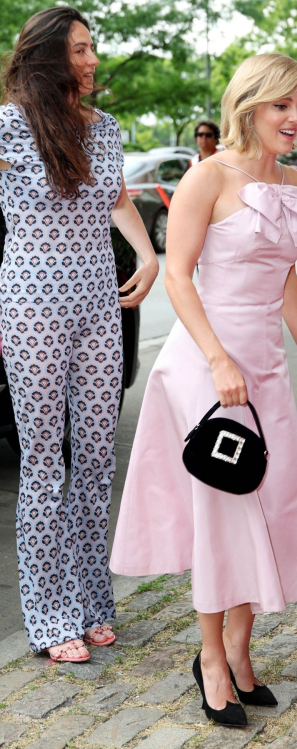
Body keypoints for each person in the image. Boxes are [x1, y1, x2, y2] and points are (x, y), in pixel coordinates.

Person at [110, 52, 297, 726]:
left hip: (263, 364)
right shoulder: (207, 175)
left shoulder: (292, 178)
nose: (294, 118)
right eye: (281, 106)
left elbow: (285, 273)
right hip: (208, 368)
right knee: (223, 512)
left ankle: (240, 648)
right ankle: (210, 658)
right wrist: (217, 359)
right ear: (249, 105)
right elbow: (178, 275)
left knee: (265, 503)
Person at [0, 7, 158, 661]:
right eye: (81, 49)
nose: (92, 60)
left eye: (93, 48)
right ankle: (47, 616)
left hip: (99, 308)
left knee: (96, 463)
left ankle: (93, 600)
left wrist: (148, 255)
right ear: (46, 57)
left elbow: (115, 196)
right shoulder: (10, 126)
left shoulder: (108, 128)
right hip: (33, 309)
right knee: (44, 466)